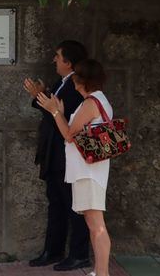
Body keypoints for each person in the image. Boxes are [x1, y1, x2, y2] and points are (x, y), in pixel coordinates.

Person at [36, 59, 112, 276]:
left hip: (88, 172)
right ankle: (100, 270)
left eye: (77, 77)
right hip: (89, 170)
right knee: (92, 224)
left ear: (82, 80)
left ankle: (103, 273)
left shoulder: (91, 103)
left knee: (96, 226)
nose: (74, 81)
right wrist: (58, 112)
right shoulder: (97, 100)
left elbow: (69, 135)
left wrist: (54, 112)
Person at [23, 40, 90, 271]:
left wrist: (40, 97)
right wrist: (41, 95)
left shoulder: (76, 86)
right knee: (56, 204)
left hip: (67, 155)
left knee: (74, 205)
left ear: (68, 62)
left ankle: (80, 254)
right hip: (54, 154)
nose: (53, 60)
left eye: (57, 56)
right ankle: (53, 250)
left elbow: (61, 114)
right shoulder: (63, 83)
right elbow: (53, 110)